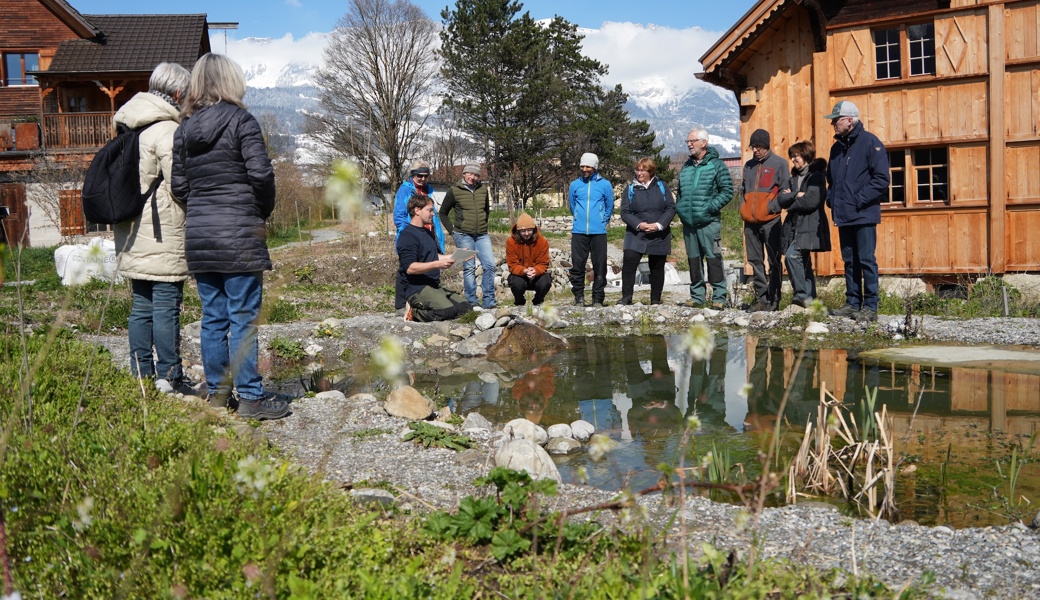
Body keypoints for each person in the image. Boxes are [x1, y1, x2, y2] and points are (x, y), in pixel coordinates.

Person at [172, 53, 289, 420]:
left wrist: (204, 212)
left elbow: (179, 187)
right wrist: (261, 212)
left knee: (213, 317)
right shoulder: (242, 121)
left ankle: (219, 393)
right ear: (231, 82)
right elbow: (262, 176)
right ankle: (252, 398)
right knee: (243, 317)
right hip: (239, 232)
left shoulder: (183, 130)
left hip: (200, 236)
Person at [112, 63, 194, 395]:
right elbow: (181, 185)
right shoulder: (167, 131)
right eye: (187, 95)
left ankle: (140, 375)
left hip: (132, 231)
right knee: (165, 305)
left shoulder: (128, 125)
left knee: (141, 306)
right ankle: (169, 376)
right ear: (177, 94)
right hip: (162, 231)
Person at [824, 100, 890, 322]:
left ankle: (870, 307)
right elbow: (831, 180)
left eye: (836, 120)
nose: (833, 124)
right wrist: (831, 199)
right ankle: (853, 303)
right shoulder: (836, 149)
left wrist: (858, 200)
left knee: (865, 260)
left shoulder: (871, 143)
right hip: (844, 215)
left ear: (849, 120)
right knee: (849, 260)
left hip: (863, 214)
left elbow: (882, 180)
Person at [674, 128, 734, 309]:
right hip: (689, 224)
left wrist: (710, 208)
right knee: (693, 259)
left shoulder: (717, 165)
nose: (689, 144)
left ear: (704, 143)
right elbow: (680, 192)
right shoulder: (686, 166)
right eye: (688, 141)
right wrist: (681, 209)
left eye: (692, 141)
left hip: (709, 223)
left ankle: (719, 298)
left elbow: (727, 191)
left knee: (714, 258)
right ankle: (697, 297)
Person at [397, 195, 473, 322]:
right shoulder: (407, 236)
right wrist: (438, 264)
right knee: (445, 311)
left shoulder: (427, 233)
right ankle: (414, 311)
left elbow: (432, 256)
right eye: (430, 210)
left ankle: (437, 301)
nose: (433, 214)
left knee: (465, 308)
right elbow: (410, 268)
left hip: (434, 284)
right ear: (417, 211)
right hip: (417, 287)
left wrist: (457, 255)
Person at [777, 140, 831, 307]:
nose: (793, 159)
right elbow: (781, 199)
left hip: (810, 225)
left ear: (806, 156)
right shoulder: (793, 179)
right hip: (794, 226)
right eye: (791, 157)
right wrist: (797, 195)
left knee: (793, 256)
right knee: (804, 262)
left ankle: (801, 295)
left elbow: (811, 201)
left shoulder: (816, 176)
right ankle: (810, 300)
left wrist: (792, 199)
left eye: (796, 156)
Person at [741, 128, 789, 312]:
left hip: (771, 221)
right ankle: (763, 298)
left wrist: (771, 208)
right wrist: (743, 208)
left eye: (758, 147)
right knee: (755, 260)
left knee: (774, 260)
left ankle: (775, 299)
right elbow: (743, 190)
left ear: (767, 146)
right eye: (753, 147)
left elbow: (785, 191)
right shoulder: (748, 166)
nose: (755, 150)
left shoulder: (780, 164)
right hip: (750, 223)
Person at [619, 158, 675, 305]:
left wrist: (659, 225)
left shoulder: (662, 187)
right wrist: (639, 225)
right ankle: (626, 297)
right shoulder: (630, 189)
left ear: (650, 171)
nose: (639, 173)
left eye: (642, 170)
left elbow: (670, 208)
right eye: (637, 170)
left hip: (659, 232)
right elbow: (625, 212)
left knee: (657, 267)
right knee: (629, 263)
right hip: (636, 233)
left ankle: (655, 300)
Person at [439, 163, 496, 309]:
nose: (473, 177)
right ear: (464, 174)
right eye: (470, 174)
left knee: (489, 265)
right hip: (463, 235)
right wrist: (452, 232)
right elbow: (443, 213)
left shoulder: (483, 190)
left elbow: (485, 211)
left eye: (476, 175)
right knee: (469, 267)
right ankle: (472, 302)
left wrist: (483, 224)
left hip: (482, 234)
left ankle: (489, 301)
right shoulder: (454, 190)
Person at [392, 161, 445, 310]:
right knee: (407, 268)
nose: (422, 179)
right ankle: (402, 305)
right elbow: (399, 215)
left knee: (431, 264)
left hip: (429, 233)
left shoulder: (428, 191)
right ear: (413, 175)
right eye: (419, 176)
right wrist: (408, 234)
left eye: (425, 176)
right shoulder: (405, 190)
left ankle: (430, 299)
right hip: (413, 234)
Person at [567, 152, 614, 307]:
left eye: (588, 166)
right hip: (579, 231)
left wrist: (602, 220)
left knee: (600, 264)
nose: (585, 169)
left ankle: (598, 298)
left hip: (599, 232)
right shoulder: (574, 185)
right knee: (578, 265)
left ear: (595, 166)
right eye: (582, 166)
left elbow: (609, 206)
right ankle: (579, 297)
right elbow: (573, 206)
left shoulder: (605, 184)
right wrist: (578, 218)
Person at [505, 212, 551, 306]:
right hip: (520, 275)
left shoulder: (542, 242)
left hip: (536, 275)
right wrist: (524, 270)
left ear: (534, 229)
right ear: (518, 231)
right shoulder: (510, 242)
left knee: (546, 281)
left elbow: (543, 263)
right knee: (515, 282)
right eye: (523, 231)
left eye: (529, 230)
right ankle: (520, 302)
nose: (526, 233)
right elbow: (512, 265)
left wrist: (535, 270)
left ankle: (538, 301)